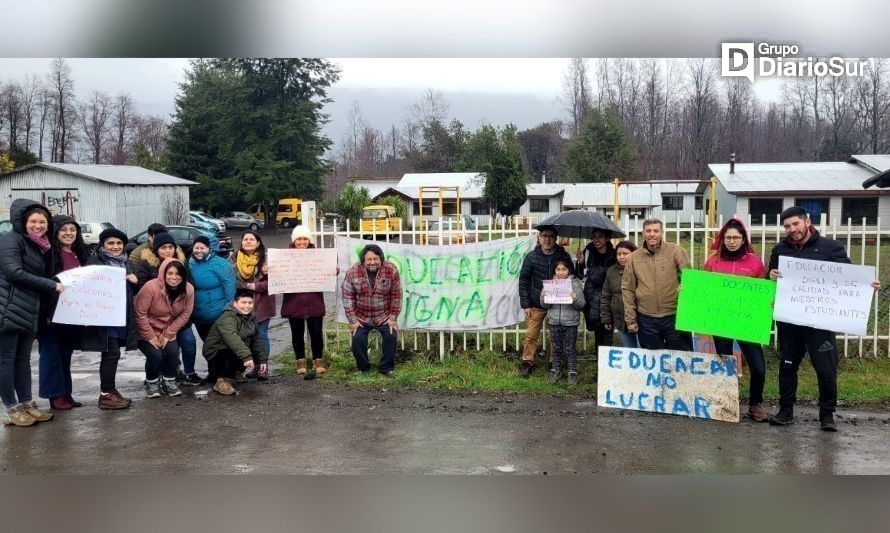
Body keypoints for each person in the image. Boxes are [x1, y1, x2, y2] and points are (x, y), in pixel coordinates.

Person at [766, 206, 881, 431]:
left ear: (807, 221)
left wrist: (867, 286)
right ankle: (785, 411)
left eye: (795, 224)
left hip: (820, 322)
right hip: (790, 321)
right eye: (787, 226)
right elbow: (770, 279)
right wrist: (770, 275)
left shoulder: (831, 247)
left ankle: (827, 415)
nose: (792, 229)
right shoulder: (780, 250)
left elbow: (849, 278)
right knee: (787, 366)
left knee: (826, 369)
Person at [0, 200, 63, 426]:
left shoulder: (38, 245)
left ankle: (26, 403)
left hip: (28, 309)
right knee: (5, 361)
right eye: (33, 221)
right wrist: (51, 285)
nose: (38, 226)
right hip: (7, 308)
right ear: (23, 222)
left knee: (23, 360)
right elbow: (14, 272)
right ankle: (10, 407)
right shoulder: (11, 240)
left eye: (42, 222)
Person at [703, 217, 768, 422]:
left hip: (746, 322)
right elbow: (703, 289)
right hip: (720, 321)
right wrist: (688, 292)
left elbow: (763, 292)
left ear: (743, 240)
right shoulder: (712, 261)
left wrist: (769, 301)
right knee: (726, 364)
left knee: (758, 367)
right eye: (728, 237)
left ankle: (755, 405)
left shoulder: (755, 263)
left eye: (736, 237)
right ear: (723, 239)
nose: (732, 241)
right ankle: (727, 404)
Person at [79, 228, 139, 410]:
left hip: (121, 316)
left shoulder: (127, 263)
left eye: (119, 243)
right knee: (111, 354)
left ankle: (110, 391)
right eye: (110, 243)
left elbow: (132, 291)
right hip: (105, 318)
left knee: (113, 354)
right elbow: (86, 288)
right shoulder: (95, 262)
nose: (115, 247)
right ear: (103, 245)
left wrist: (136, 282)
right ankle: (106, 394)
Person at [133, 231, 199, 384]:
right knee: (156, 353)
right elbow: (142, 296)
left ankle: (184, 373)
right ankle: (155, 378)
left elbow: (189, 285)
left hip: (176, 315)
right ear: (156, 249)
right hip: (152, 316)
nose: (167, 250)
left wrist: (169, 332)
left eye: (171, 247)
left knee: (182, 345)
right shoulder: (147, 266)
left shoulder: (181, 264)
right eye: (163, 247)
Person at [39, 215, 90, 410]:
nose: (68, 234)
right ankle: (54, 395)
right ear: (55, 232)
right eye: (63, 230)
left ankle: (66, 392)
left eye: (72, 230)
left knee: (65, 354)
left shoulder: (79, 253)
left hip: (72, 313)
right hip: (52, 312)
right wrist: (47, 311)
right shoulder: (49, 254)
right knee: (51, 354)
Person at [621, 218, 692, 351]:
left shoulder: (676, 251)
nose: (652, 234)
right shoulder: (634, 258)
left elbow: (689, 279)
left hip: (674, 315)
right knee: (652, 359)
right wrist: (630, 319)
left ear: (662, 233)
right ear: (643, 233)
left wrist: (685, 289)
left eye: (656, 231)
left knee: (681, 356)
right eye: (648, 231)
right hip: (646, 318)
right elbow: (627, 288)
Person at [518, 226, 572, 378]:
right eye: (544, 236)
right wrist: (526, 304)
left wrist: (579, 262)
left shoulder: (563, 256)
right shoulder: (531, 257)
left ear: (555, 239)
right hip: (536, 302)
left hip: (557, 303)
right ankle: (527, 362)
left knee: (555, 334)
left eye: (551, 236)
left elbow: (572, 275)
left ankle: (554, 362)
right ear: (539, 238)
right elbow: (524, 281)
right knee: (531, 334)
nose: (547, 239)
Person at [341, 244, 402, 377]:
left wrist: (392, 318)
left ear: (381, 259)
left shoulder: (391, 270)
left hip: (383, 315)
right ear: (363, 260)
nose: (372, 262)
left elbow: (396, 295)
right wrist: (353, 320)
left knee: (391, 336)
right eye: (369, 259)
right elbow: (347, 297)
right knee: (357, 338)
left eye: (376, 259)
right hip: (361, 317)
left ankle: (386, 368)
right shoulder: (352, 272)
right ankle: (363, 368)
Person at [280, 226, 331, 378]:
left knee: (316, 332)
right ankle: (300, 361)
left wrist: (332, 271)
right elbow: (278, 275)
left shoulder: (318, 256)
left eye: (305, 239)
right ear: (294, 240)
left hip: (313, 300)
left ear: (309, 240)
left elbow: (326, 274)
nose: (302, 242)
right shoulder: (284, 257)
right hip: (293, 301)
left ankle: (318, 360)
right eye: (299, 239)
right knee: (297, 333)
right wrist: (271, 270)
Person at [202, 289, 269, 395]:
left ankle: (233, 374)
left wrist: (262, 360)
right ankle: (219, 381)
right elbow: (232, 339)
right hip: (216, 351)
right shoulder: (227, 317)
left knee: (249, 345)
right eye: (243, 302)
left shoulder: (251, 316)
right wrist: (246, 357)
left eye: (250, 303)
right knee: (228, 351)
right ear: (235, 303)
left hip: (233, 349)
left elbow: (257, 338)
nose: (247, 306)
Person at [230, 230, 273, 372]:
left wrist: (253, 285)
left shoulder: (267, 259)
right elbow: (230, 280)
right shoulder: (234, 258)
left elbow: (274, 283)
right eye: (245, 239)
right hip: (241, 304)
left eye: (251, 239)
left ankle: (261, 369)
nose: (248, 241)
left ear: (258, 242)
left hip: (262, 304)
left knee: (261, 335)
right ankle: (243, 368)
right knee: (244, 337)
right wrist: (244, 285)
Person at [540, 258, 585, 385]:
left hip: (570, 322)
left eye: (564, 269)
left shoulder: (574, 283)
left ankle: (572, 372)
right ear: (554, 270)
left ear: (569, 270)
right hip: (554, 321)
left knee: (570, 348)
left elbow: (581, 304)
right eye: (558, 269)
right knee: (556, 348)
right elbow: (545, 305)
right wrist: (543, 297)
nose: (561, 272)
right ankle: (556, 370)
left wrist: (574, 297)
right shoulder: (550, 284)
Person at [189, 235, 236, 343]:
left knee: (220, 348)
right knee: (208, 349)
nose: (199, 251)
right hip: (199, 319)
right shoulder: (190, 263)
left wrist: (227, 314)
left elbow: (230, 291)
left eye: (202, 248)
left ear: (209, 249)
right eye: (196, 248)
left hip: (218, 318)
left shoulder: (222, 264)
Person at [575, 229, 616, 353]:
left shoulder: (613, 255)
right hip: (591, 298)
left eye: (600, 237)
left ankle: (606, 367)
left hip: (608, 298)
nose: (596, 240)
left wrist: (592, 272)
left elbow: (610, 276)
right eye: (594, 237)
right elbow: (581, 275)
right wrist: (580, 263)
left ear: (607, 238)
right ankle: (600, 366)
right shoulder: (588, 252)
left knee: (607, 334)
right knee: (598, 334)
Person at [600, 240, 639, 348]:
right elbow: (606, 296)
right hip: (620, 319)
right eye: (618, 254)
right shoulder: (611, 271)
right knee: (629, 350)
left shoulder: (640, 270)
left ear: (633, 253)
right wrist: (606, 317)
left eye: (625, 254)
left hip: (639, 319)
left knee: (642, 351)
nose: (621, 257)